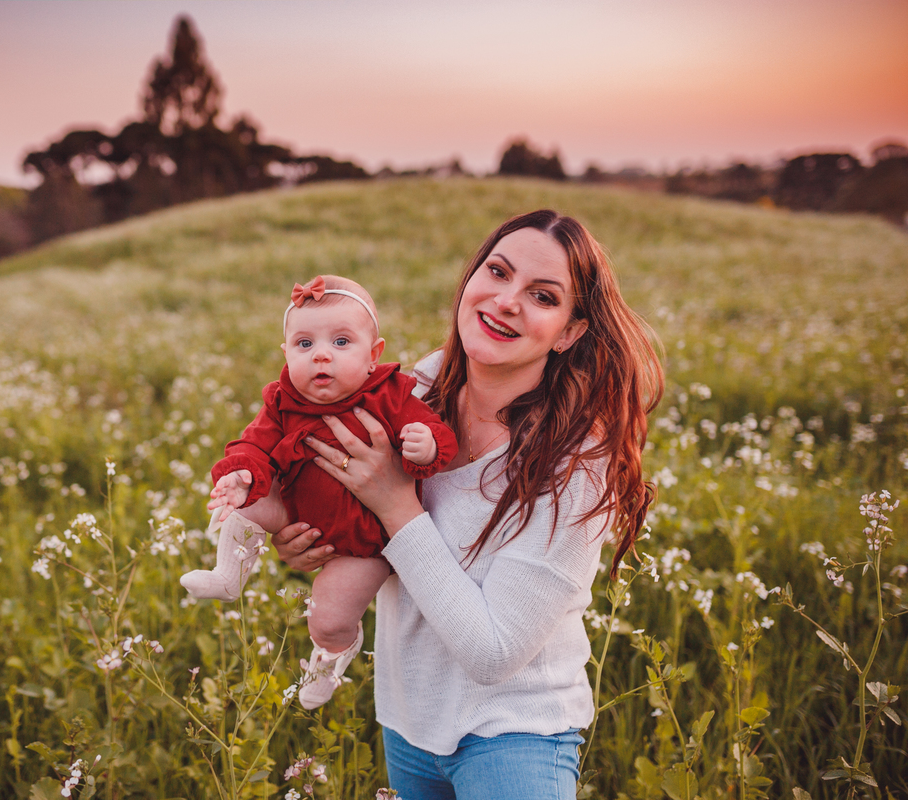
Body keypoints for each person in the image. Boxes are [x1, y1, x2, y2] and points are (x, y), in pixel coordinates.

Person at [271, 210, 663, 799]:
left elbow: (493, 653)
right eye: (497, 272)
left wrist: (395, 503)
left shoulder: (578, 457)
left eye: (542, 295)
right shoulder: (413, 390)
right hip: (408, 723)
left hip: (516, 740)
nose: (506, 301)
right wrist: (309, 537)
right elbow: (345, 506)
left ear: (569, 332)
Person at [180, 275, 458, 709]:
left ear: (374, 354)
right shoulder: (281, 401)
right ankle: (228, 577)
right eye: (304, 344)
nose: (321, 354)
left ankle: (331, 655)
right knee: (248, 505)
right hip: (298, 512)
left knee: (327, 617)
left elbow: (436, 433)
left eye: (342, 342)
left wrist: (428, 445)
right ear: (286, 354)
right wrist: (241, 476)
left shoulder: (391, 395)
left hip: (363, 542)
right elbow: (254, 445)